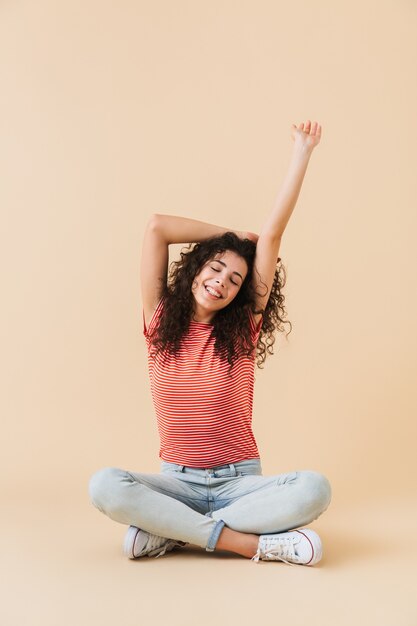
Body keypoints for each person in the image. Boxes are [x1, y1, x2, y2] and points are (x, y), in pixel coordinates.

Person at [89, 120, 332, 566]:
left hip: (240, 482)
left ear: (243, 294)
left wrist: (303, 151)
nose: (222, 282)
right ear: (197, 267)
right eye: (216, 268)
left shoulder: (240, 331)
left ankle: (174, 530)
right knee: (103, 485)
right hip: (176, 482)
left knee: (315, 489)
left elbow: (273, 236)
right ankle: (247, 543)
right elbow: (157, 226)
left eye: (236, 279)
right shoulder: (159, 320)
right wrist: (231, 237)